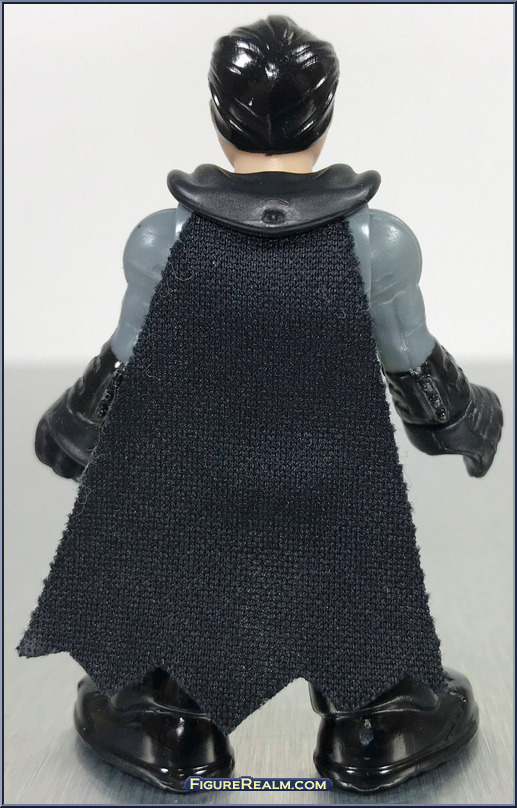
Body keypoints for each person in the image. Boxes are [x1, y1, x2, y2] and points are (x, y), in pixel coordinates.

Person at [19, 15, 502, 793]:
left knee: (182, 595)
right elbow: (412, 367)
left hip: (202, 485)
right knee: (357, 599)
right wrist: (467, 421)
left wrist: (71, 432)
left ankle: (171, 720)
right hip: (332, 486)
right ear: (326, 113)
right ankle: (375, 719)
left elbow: (124, 360)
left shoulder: (161, 239)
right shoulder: (377, 242)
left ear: (218, 114)